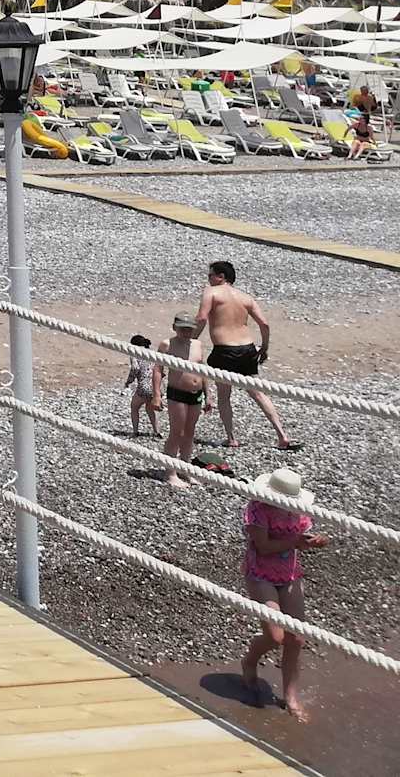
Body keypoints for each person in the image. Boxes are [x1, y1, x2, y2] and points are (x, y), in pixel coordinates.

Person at [239, 466, 326, 722]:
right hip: (260, 572)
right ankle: (249, 660)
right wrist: (295, 543)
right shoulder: (257, 509)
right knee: (275, 636)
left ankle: (291, 696)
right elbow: (264, 547)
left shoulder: (298, 511)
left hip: (289, 574)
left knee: (296, 638)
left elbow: (303, 537)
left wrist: (318, 541)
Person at [196, 260, 302, 450]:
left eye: (210, 275)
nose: (208, 279)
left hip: (224, 350)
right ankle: (282, 435)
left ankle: (231, 438)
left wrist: (192, 340)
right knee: (258, 393)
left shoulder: (211, 292)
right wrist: (265, 348)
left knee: (224, 396)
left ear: (221, 276)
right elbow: (264, 324)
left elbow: (202, 318)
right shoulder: (246, 297)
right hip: (247, 349)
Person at [160, 313, 207, 487]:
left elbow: (202, 370)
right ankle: (170, 472)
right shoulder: (167, 344)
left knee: (189, 433)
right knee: (176, 433)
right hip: (177, 392)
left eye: (189, 329)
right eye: (183, 329)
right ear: (175, 328)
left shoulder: (197, 344)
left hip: (196, 393)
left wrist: (208, 394)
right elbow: (158, 369)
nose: (186, 332)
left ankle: (185, 469)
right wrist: (156, 394)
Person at [126, 334, 161, 438]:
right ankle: (157, 432)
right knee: (150, 408)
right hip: (156, 387)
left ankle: (135, 431)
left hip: (144, 386)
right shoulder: (152, 353)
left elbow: (135, 368)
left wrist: (129, 381)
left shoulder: (135, 354)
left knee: (134, 407)